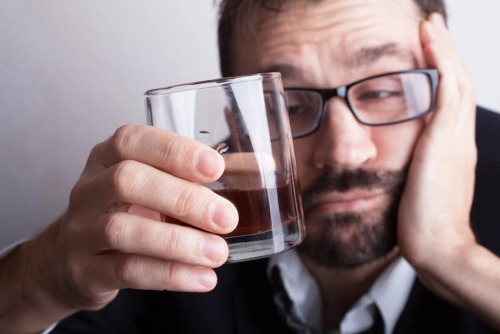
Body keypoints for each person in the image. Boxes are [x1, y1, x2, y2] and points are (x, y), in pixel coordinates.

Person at [1, 0, 500, 333]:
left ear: (447, 90)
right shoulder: (180, 213)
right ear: (237, 125)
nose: (344, 151)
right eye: (292, 104)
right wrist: (40, 277)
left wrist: (457, 258)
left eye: (385, 91)